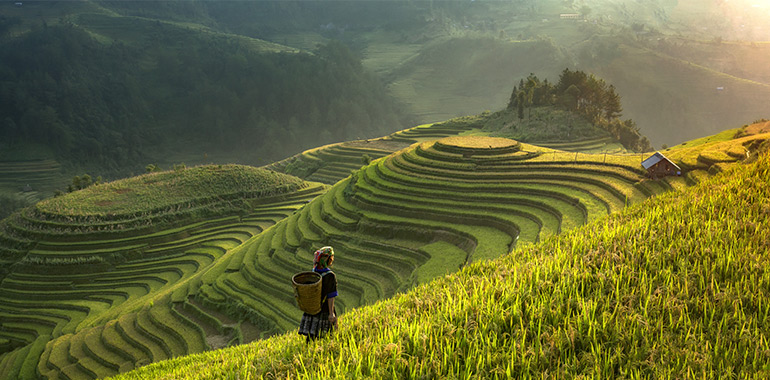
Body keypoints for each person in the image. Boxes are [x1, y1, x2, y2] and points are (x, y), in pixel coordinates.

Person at [298, 246, 337, 342]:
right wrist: (331, 314)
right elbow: (330, 296)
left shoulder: (314, 272)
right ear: (328, 259)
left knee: (311, 337)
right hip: (324, 310)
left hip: (313, 308)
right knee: (326, 338)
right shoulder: (330, 275)